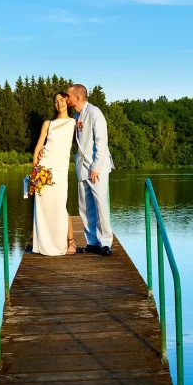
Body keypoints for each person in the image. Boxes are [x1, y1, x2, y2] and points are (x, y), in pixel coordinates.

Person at [66, 84, 114, 256]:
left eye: (68, 96)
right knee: (85, 207)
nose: (66, 98)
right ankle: (92, 241)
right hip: (82, 167)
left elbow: (101, 141)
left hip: (96, 168)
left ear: (77, 98)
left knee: (101, 204)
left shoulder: (95, 113)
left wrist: (96, 167)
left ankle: (106, 242)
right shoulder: (78, 115)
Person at [31, 92, 77, 256]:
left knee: (59, 205)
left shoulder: (74, 122)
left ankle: (70, 242)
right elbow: (38, 147)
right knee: (43, 206)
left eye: (62, 100)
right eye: (56, 101)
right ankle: (43, 244)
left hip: (60, 169)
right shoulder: (48, 124)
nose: (59, 103)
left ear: (67, 101)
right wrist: (35, 170)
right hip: (44, 168)